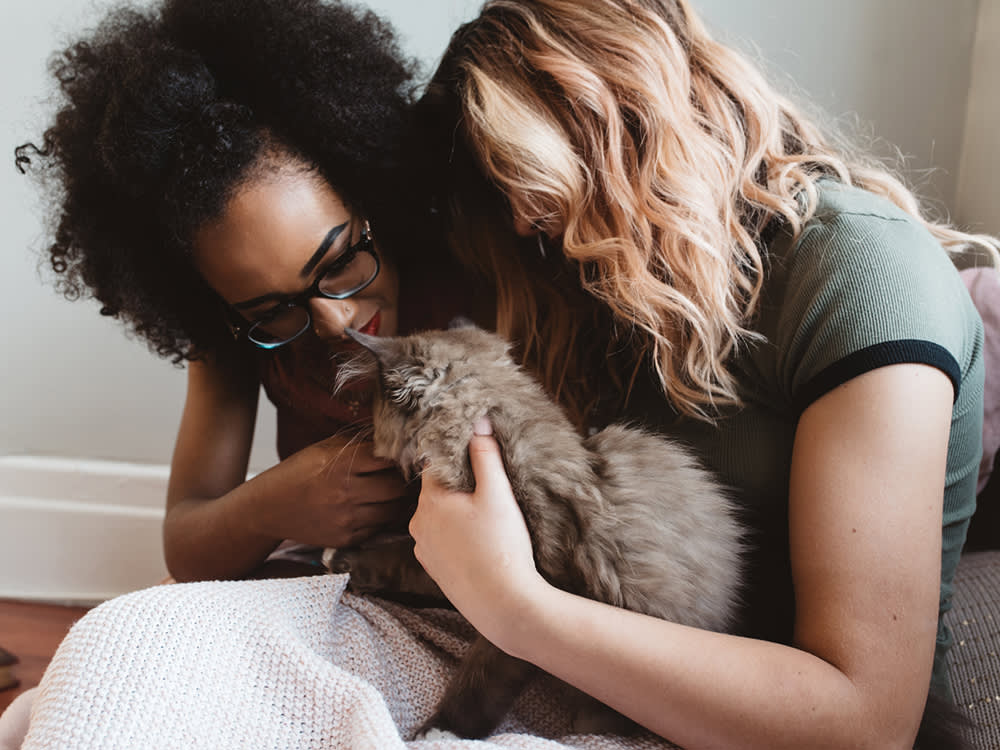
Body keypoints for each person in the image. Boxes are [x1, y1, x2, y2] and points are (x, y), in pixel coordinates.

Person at [406, 1, 1000, 748]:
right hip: (609, 706)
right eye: (502, 193)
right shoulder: (592, 292)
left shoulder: (859, 272)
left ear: (628, 107)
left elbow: (865, 724)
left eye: (527, 173)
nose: (526, 224)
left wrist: (518, 610)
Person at [13, 0, 485, 584]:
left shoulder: (468, 267)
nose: (334, 321)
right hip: (343, 577)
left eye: (338, 262)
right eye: (276, 309)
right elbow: (185, 546)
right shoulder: (237, 337)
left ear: (371, 193)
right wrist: (274, 503)